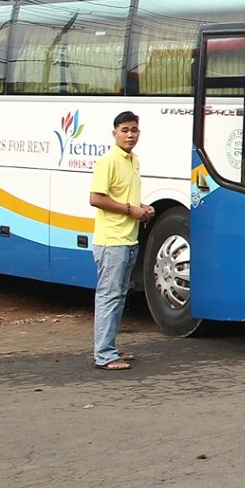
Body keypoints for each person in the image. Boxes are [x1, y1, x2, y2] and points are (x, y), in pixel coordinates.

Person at [88, 111, 154, 371]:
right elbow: (96, 198)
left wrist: (142, 207)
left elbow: (124, 197)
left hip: (128, 239)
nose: (130, 135)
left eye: (134, 130)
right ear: (114, 133)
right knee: (109, 296)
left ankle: (110, 348)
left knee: (118, 296)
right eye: (125, 130)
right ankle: (104, 355)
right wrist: (130, 210)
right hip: (111, 241)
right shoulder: (109, 161)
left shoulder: (133, 160)